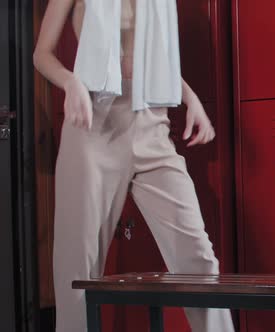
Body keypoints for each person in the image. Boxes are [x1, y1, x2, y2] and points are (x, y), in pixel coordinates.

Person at [33, 0, 235, 331]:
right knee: (77, 264)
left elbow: (155, 59)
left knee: (197, 257)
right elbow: (41, 54)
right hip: (94, 125)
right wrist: (72, 83)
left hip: (151, 118)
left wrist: (191, 99)